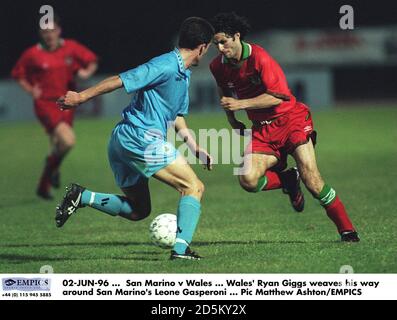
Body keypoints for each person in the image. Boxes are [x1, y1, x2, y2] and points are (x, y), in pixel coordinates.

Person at [55, 17, 215, 260]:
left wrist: (194, 147)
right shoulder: (165, 65)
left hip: (122, 140)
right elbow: (119, 80)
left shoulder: (184, 75)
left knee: (138, 210)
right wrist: (80, 97)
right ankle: (181, 251)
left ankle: (82, 196)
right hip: (141, 138)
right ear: (203, 47)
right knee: (193, 187)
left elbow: (176, 116)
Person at [209, 12, 359, 242]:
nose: (219, 48)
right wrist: (232, 119)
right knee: (247, 179)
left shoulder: (260, 58)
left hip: (291, 121)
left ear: (237, 36)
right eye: (215, 43)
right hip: (262, 129)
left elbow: (279, 97)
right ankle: (288, 180)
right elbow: (223, 89)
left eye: (223, 41)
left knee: (312, 180)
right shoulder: (218, 66)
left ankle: (347, 230)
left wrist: (241, 104)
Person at [11, 15, 98, 200]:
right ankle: (46, 178)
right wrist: (30, 89)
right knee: (68, 141)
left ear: (59, 30)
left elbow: (92, 60)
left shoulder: (71, 48)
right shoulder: (32, 54)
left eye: (52, 30)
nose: (49, 34)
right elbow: (18, 73)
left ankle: (50, 172)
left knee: (58, 145)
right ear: (40, 33)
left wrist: (85, 72)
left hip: (66, 102)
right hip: (45, 104)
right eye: (45, 31)